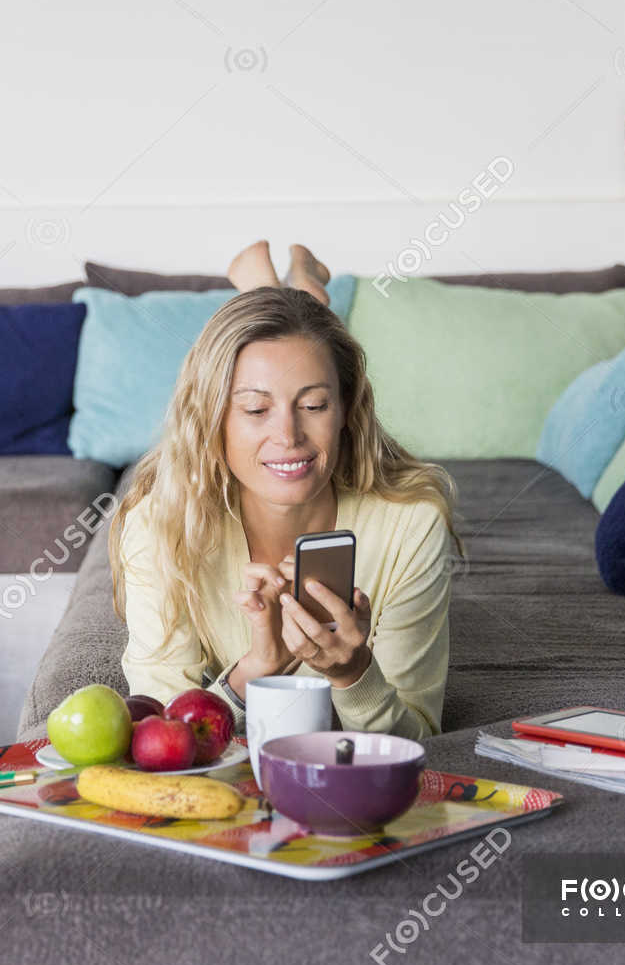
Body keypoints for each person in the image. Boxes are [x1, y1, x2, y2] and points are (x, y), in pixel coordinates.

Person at [111, 245, 461, 739]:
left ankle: (286, 293)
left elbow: (417, 740)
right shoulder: (161, 524)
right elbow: (165, 735)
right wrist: (256, 669)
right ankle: (294, 291)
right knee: (295, 341)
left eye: (315, 405)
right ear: (214, 419)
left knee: (298, 341)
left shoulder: (412, 523)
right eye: (255, 410)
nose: (289, 435)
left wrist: (353, 672)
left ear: (346, 413)